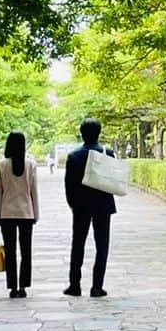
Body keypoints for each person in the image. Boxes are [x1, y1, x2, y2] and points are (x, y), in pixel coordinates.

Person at [63, 117, 116, 298]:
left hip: (81, 206)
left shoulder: (74, 155)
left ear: (81, 133)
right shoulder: (107, 153)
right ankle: (97, 286)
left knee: (78, 244)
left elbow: (69, 185)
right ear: (99, 133)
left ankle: (74, 285)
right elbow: (112, 180)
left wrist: (72, 204)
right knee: (102, 246)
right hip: (103, 205)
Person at [0, 131, 38, 299]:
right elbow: (34, 192)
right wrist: (36, 214)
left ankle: (13, 287)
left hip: (6, 213)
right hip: (26, 213)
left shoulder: (1, 165)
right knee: (26, 252)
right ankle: (24, 287)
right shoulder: (31, 165)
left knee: (10, 252)